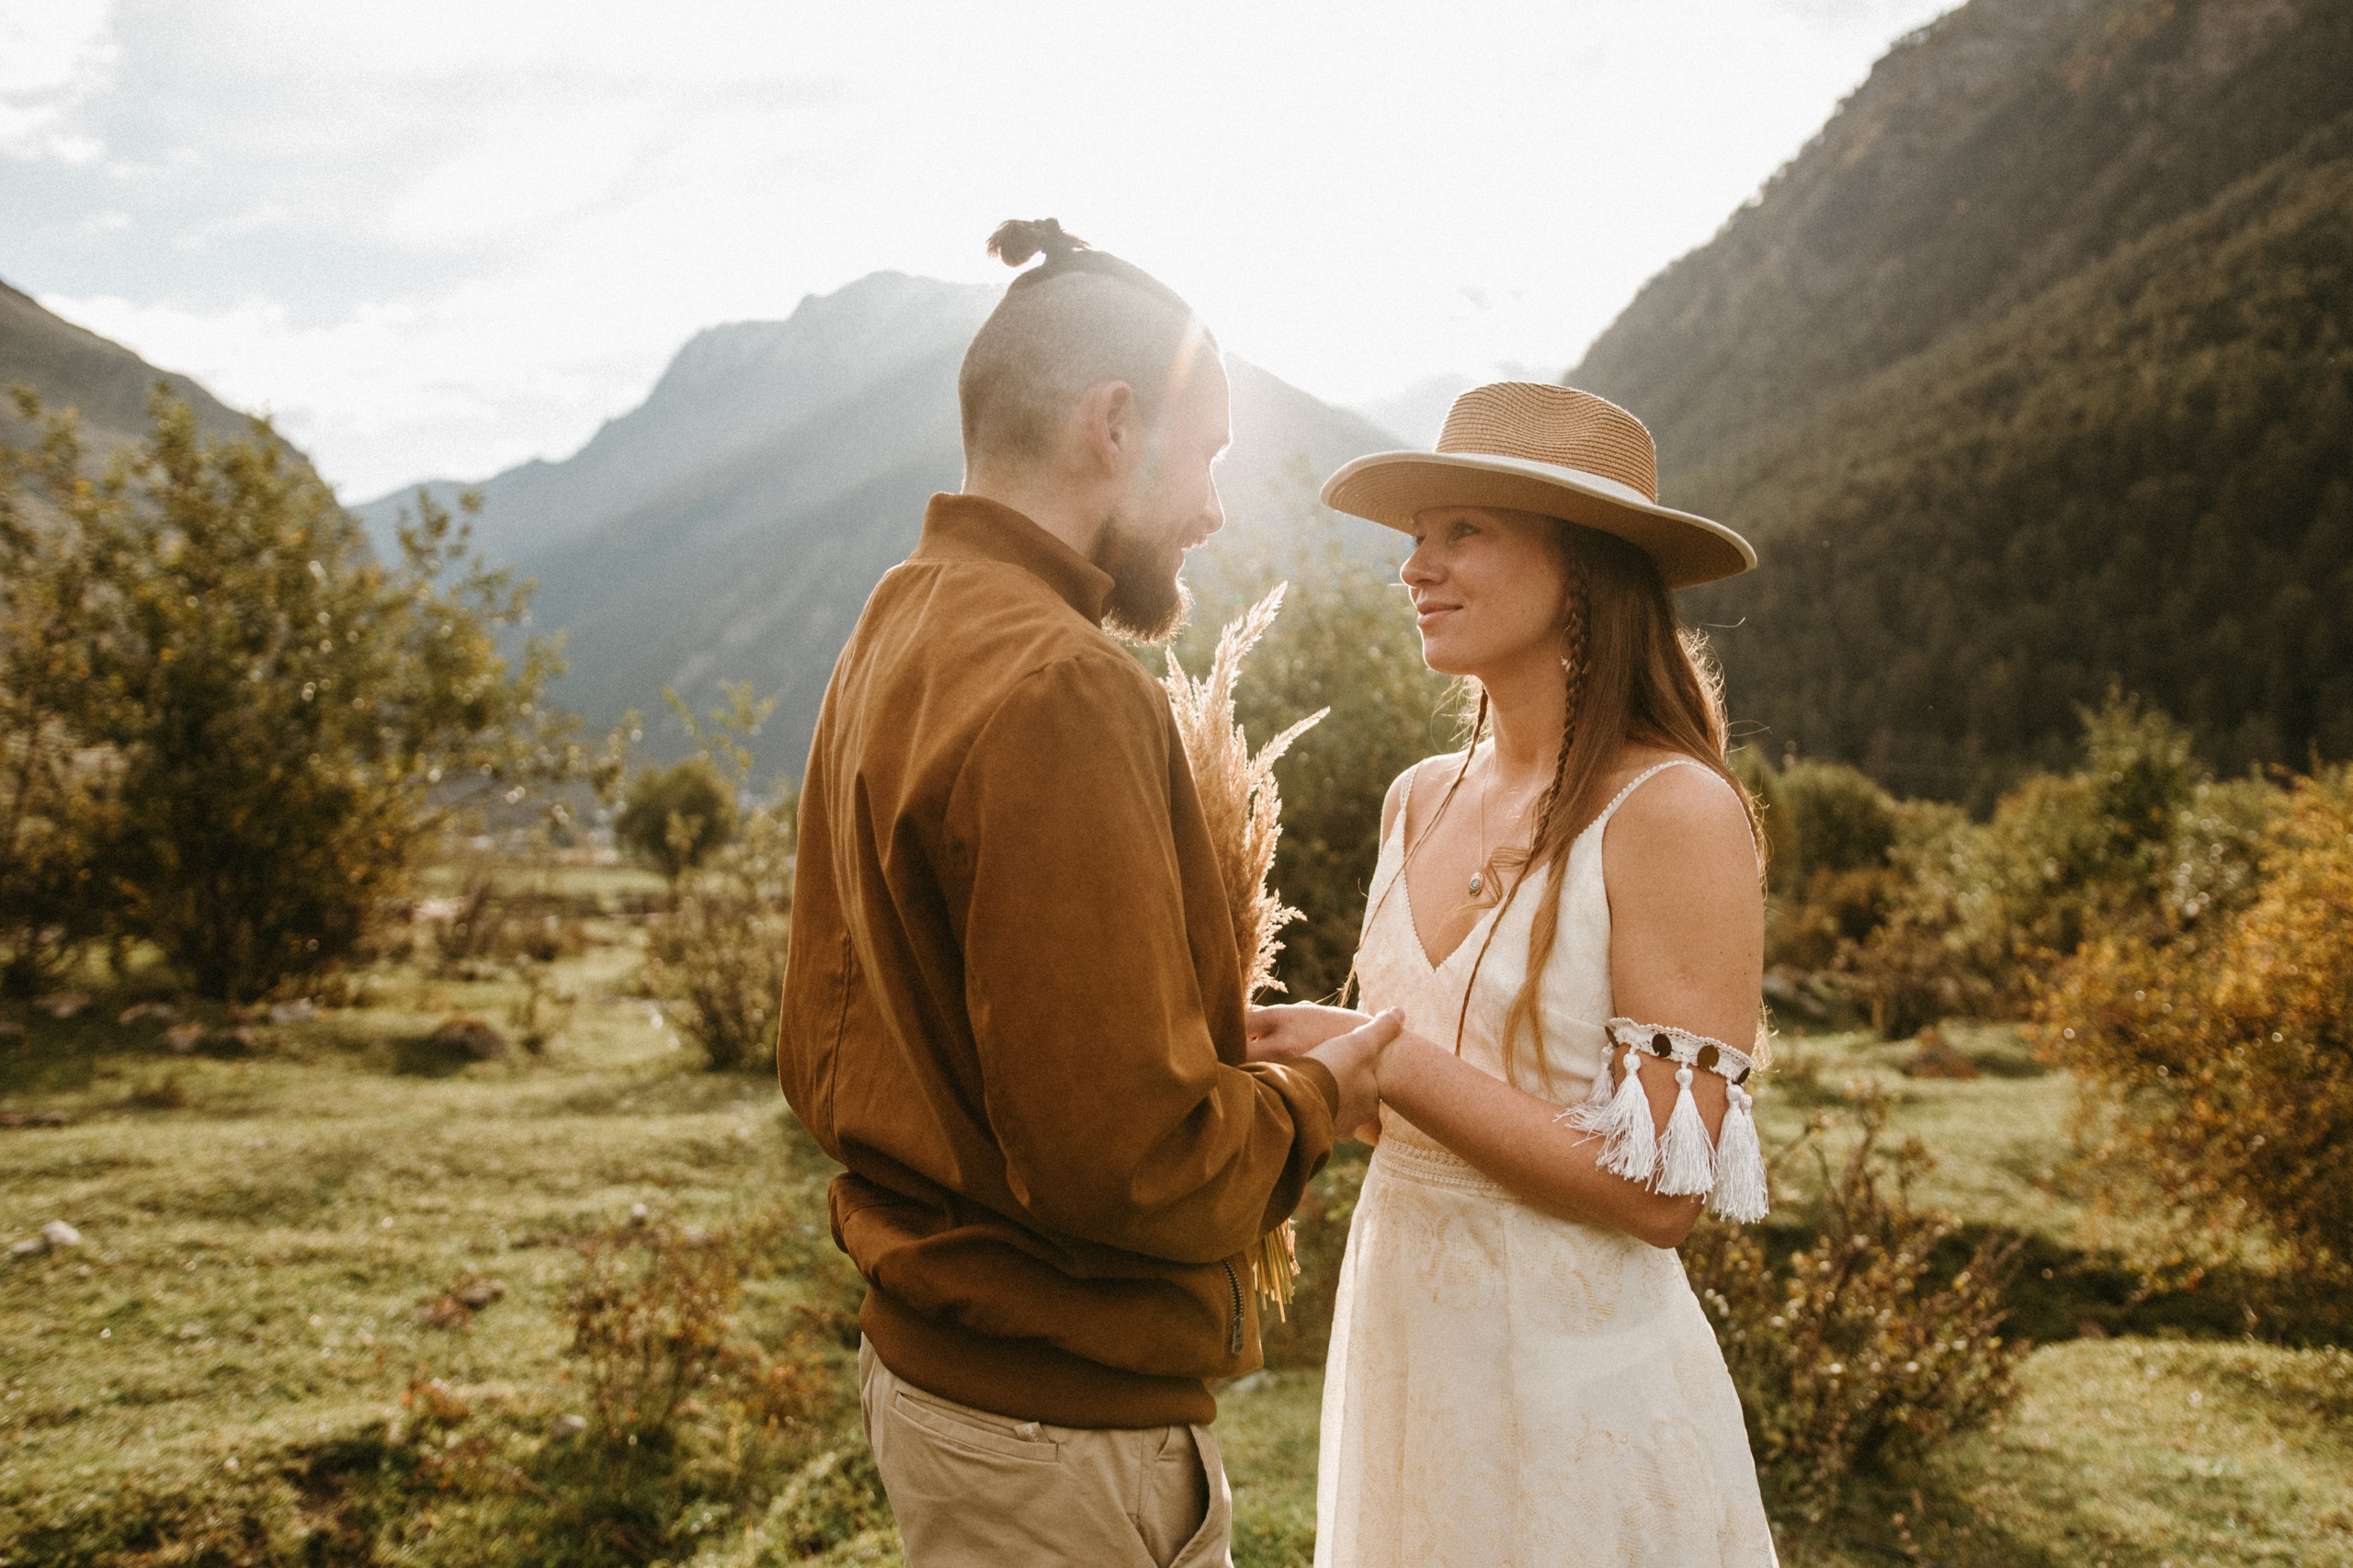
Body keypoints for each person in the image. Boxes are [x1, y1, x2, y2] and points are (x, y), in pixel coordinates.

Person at [778, 218, 1392, 1568]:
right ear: (1114, 425)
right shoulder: (1064, 680)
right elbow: (1127, 1157)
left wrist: (1203, 1024)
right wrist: (1320, 1097)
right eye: (1212, 453)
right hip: (1058, 1440)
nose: (1218, 507)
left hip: (948, 1391)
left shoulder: (902, 615)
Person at [1248, 381, 1779, 1566]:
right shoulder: (1415, 801)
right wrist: (1301, 1065)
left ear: (1582, 563)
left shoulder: (1675, 812)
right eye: (1416, 537)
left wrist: (1381, 1058)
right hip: (1400, 1353)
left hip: (1576, 1394)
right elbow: (1419, 1129)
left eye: (1463, 531)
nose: (1415, 569)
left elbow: (1661, 1199)